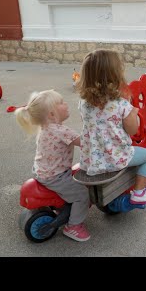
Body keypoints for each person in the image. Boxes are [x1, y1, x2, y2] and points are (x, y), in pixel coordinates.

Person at [77, 49, 146, 205]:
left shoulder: (83, 102)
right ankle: (139, 193)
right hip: (114, 158)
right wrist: (133, 113)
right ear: (115, 75)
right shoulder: (121, 105)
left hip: (91, 159)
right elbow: (132, 131)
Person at [14, 90, 91, 242]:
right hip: (55, 176)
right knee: (82, 195)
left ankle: (63, 204)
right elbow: (86, 143)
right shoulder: (61, 131)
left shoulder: (45, 127)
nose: (66, 103)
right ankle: (73, 226)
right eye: (61, 102)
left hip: (42, 172)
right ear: (51, 114)